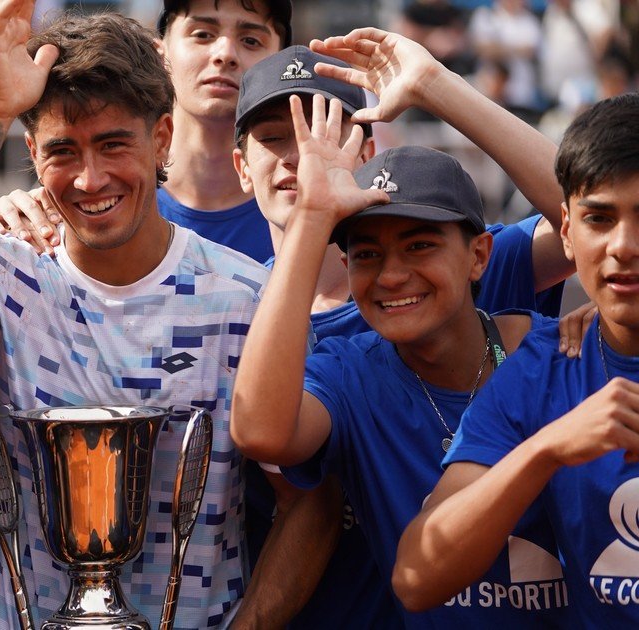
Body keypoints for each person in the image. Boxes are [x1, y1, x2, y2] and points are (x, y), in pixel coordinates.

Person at [0, 2, 270, 628]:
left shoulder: (245, 295)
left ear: (161, 138)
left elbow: (309, 504)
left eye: (113, 145)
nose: (89, 178)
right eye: (62, 151)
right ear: (30, 152)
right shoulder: (3, 273)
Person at [230, 73, 571, 628]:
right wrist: (314, 216)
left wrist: (433, 84)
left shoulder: (559, 353)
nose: (392, 275)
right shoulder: (349, 374)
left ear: (479, 256)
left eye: (419, 245)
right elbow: (261, 432)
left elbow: (597, 222)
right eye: (367, 254)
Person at [394, 93, 639, 626]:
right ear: (567, 233)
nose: (623, 245)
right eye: (600, 218)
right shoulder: (540, 370)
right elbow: (416, 576)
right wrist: (545, 449)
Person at [0, 0, 291, 262]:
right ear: (160, 52)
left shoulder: (303, 206)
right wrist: (7, 228)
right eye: (202, 34)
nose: (225, 53)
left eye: (251, 40)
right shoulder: (85, 202)